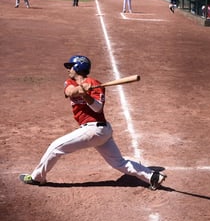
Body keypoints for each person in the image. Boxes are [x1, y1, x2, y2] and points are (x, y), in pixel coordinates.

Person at [19, 55, 166, 190]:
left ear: (77, 67)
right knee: (119, 163)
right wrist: (81, 90)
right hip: (99, 132)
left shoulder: (95, 84)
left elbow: (97, 108)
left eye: (71, 66)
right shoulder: (69, 82)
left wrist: (87, 96)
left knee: (55, 147)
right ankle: (153, 176)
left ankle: (37, 178)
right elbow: (70, 92)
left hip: (95, 130)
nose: (68, 70)